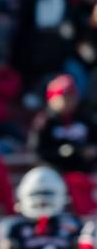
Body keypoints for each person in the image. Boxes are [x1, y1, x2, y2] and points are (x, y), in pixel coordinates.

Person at [30, 75, 97, 217]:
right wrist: (64, 153)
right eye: (64, 97)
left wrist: (90, 150)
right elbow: (38, 151)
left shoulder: (84, 117)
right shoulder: (45, 122)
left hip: (84, 171)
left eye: (71, 96)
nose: (68, 101)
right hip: (56, 173)